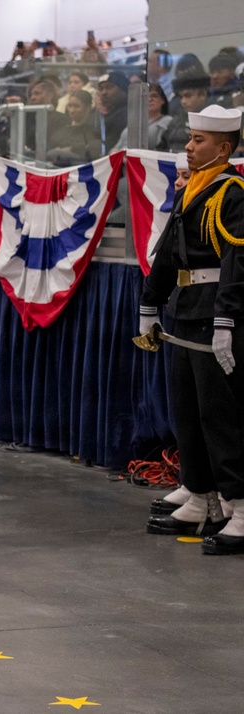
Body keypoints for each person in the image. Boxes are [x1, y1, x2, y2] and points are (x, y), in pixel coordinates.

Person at [140, 106, 244, 555]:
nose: (188, 146)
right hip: (185, 310)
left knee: (221, 416)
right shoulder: (195, 188)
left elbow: (236, 263)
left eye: (199, 140)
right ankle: (203, 495)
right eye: (189, 137)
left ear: (224, 148)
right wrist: (150, 303)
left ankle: (239, 505)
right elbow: (168, 254)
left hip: (214, 313)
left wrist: (227, 320)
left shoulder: (233, 193)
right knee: (188, 409)